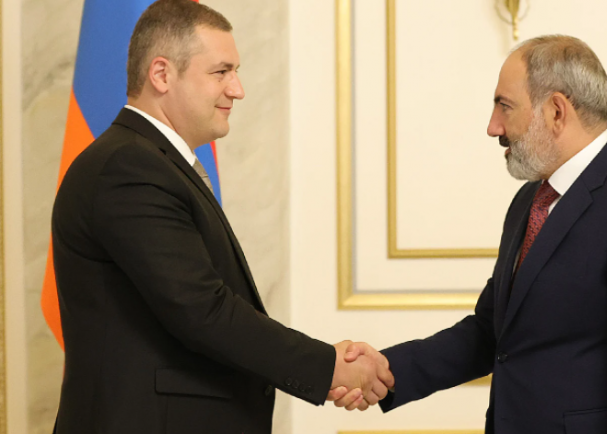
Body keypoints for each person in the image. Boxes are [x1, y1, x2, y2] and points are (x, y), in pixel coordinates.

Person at [51, 1, 391, 433]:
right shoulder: (128, 168)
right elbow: (202, 310)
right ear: (161, 75)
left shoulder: (152, 163)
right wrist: (328, 367)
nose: (238, 89)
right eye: (221, 72)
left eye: (236, 71)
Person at [330, 35, 607, 434]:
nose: (493, 127)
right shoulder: (531, 200)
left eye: (504, 106)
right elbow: (491, 333)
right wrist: (388, 370)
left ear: (556, 111)